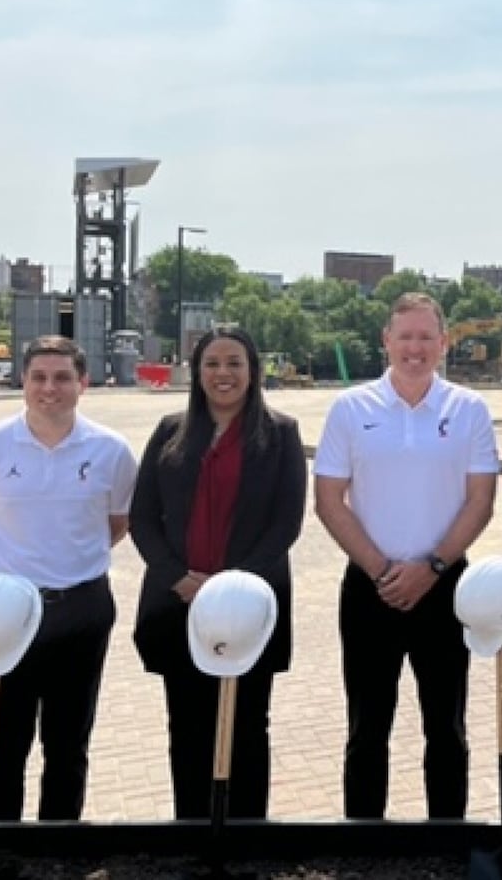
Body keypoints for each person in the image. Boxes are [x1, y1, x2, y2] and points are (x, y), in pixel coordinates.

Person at [314, 292, 499, 819]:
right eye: (405, 337)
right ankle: (366, 846)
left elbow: (480, 500)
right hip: (370, 587)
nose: (414, 348)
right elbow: (329, 501)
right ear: (386, 342)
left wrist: (433, 566)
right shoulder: (351, 408)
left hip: (444, 587)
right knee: (367, 729)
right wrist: (382, 570)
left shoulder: (468, 409)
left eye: (425, 337)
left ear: (443, 343)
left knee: (446, 728)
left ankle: (446, 841)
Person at [0, 334, 137, 820]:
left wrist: (67, 565)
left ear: (84, 384)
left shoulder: (112, 451)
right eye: (39, 377)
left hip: (83, 609)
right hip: (2, 614)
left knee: (68, 744)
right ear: (23, 382)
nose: (49, 388)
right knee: (1, 745)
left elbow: (116, 524)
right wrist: (15, 574)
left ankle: (58, 850)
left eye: (62, 378)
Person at [128, 327, 308, 819]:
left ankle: (247, 836)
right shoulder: (170, 431)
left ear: (253, 371)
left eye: (234, 364)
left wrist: (231, 588)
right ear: (196, 370)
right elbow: (142, 517)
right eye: (212, 364)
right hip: (178, 601)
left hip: (250, 603)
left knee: (249, 724)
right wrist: (178, 576)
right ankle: (191, 832)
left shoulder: (281, 434)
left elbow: (286, 523)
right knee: (186, 726)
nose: (223, 374)